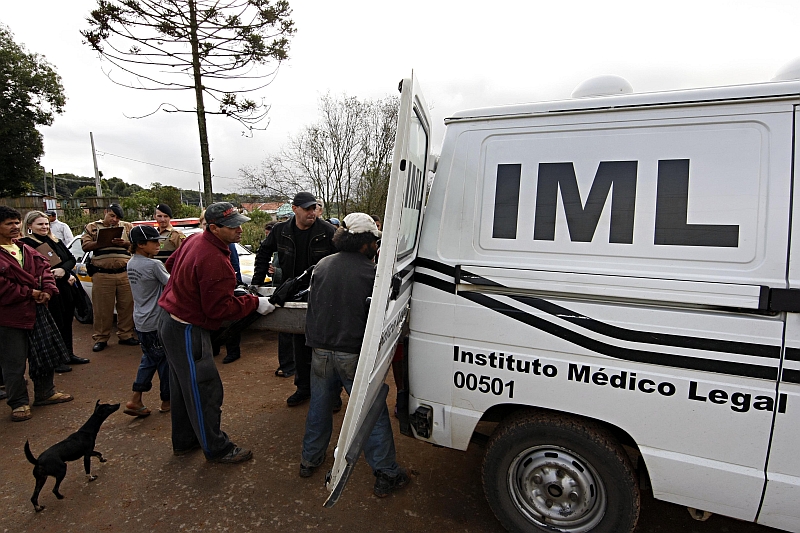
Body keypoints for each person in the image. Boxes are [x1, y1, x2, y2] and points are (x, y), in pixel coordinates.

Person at [299, 213, 409, 497]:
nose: (376, 246)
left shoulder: (323, 265)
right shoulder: (373, 274)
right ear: (365, 243)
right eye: (374, 241)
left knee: (320, 406)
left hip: (321, 352)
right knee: (370, 413)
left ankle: (309, 459)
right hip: (353, 354)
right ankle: (386, 472)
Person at [158, 202, 276, 463]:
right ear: (214, 228)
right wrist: (255, 303)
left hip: (169, 318)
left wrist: (190, 289)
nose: (240, 229)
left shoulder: (194, 240)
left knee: (182, 388)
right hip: (187, 328)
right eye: (232, 226)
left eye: (238, 222)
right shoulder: (214, 259)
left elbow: (170, 264)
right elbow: (218, 310)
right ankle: (217, 448)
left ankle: (185, 441)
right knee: (204, 389)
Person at [253, 191, 337, 406]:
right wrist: (256, 282)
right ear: (294, 209)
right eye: (307, 208)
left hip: (322, 294)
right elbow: (263, 252)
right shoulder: (280, 231)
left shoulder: (328, 231)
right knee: (298, 342)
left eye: (314, 208)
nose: (311, 212)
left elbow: (344, 259)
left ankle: (331, 394)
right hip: (291, 293)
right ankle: (303, 388)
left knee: (325, 346)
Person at [0, 206, 73, 422]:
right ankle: (19, 402)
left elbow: (45, 269)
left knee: (44, 353)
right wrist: (30, 292)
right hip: (11, 317)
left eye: (16, 223)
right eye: (8, 224)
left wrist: (48, 291)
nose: (14, 227)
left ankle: (45, 392)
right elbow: (3, 287)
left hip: (37, 311)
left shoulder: (26, 249)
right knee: (14, 361)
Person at [20, 211, 91, 371]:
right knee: (53, 323)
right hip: (46, 288)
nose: (44, 227)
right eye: (40, 224)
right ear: (30, 226)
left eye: (46, 224)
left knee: (66, 322)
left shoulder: (55, 240)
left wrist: (63, 271)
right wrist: (61, 272)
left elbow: (71, 258)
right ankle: (56, 359)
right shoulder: (26, 244)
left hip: (64, 287)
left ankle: (68, 354)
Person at [124, 225, 171, 417]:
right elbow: (171, 284)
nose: (158, 244)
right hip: (156, 320)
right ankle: (167, 400)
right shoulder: (154, 265)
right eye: (154, 241)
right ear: (141, 245)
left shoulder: (132, 263)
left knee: (149, 358)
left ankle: (136, 398)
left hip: (141, 320)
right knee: (164, 361)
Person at [81, 203, 138, 352]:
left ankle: (126, 335)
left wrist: (125, 243)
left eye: (117, 217)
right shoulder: (92, 226)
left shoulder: (127, 227)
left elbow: (137, 245)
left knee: (127, 306)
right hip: (102, 273)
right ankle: (101, 338)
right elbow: (85, 246)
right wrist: (101, 242)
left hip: (124, 272)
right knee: (102, 309)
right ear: (106, 212)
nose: (115, 219)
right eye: (112, 216)